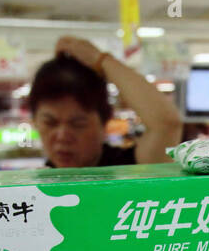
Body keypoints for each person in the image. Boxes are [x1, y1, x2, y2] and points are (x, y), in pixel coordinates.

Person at [29, 35, 182, 168]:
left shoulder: (129, 168)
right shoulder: (39, 186)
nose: (62, 135)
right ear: (35, 121)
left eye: (78, 124)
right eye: (50, 123)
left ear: (104, 122)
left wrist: (100, 59)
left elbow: (166, 124)